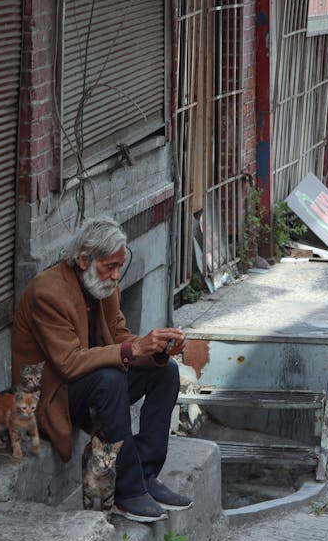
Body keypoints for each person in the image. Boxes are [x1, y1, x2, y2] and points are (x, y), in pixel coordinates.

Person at [11, 215, 193, 522]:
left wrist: (157, 350)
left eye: (120, 267)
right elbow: (69, 363)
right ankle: (126, 489)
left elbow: (120, 339)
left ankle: (145, 475)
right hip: (52, 396)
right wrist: (130, 349)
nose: (115, 275)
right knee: (109, 380)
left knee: (166, 371)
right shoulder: (48, 293)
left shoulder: (105, 286)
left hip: (90, 385)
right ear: (84, 260)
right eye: (110, 266)